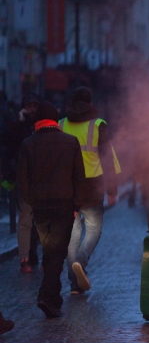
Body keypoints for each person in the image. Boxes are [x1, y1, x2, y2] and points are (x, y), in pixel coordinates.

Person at [17, 102, 86, 318]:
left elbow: (22, 180)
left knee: (50, 252)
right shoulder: (70, 142)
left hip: (41, 206)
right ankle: (46, 297)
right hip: (63, 205)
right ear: (56, 121)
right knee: (56, 253)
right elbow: (79, 177)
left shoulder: (28, 144)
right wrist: (76, 206)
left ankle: (53, 299)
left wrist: (32, 201)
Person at [59, 87, 120, 295]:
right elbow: (107, 158)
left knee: (72, 235)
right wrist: (112, 188)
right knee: (93, 230)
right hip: (92, 186)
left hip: (68, 187)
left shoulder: (61, 124)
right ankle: (81, 261)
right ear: (91, 103)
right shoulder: (98, 125)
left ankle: (74, 284)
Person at [0, 92, 41, 273]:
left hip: (41, 179)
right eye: (29, 106)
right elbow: (7, 142)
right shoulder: (18, 126)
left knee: (39, 220)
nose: (32, 109)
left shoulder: (42, 125)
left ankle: (34, 253)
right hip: (23, 178)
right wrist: (20, 123)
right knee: (25, 218)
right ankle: (25, 257)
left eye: (35, 106)